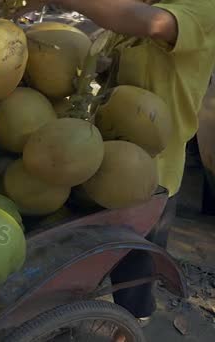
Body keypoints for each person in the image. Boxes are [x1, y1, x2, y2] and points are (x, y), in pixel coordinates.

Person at [11, 0, 215, 326]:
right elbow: (104, 54)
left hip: (150, 170)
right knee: (88, 246)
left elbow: (144, 22)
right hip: (101, 154)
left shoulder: (203, 9)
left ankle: (132, 328)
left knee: (136, 265)